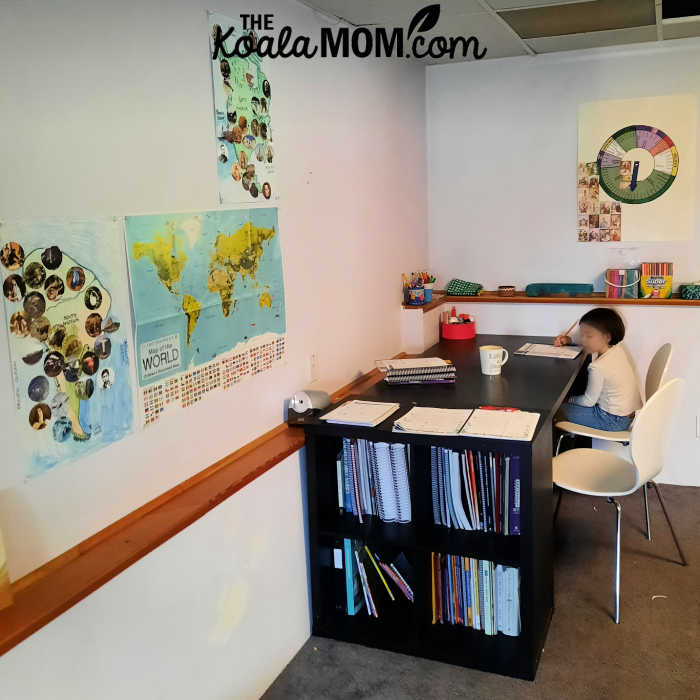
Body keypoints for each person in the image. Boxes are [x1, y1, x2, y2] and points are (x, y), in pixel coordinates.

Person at [554, 308, 642, 432]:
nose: (583, 340)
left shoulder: (598, 367)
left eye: (588, 336)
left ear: (607, 337)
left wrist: (568, 399)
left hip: (611, 420)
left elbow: (588, 401)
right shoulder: (617, 348)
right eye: (581, 335)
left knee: (556, 408)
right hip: (626, 415)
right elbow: (589, 341)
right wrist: (569, 340)